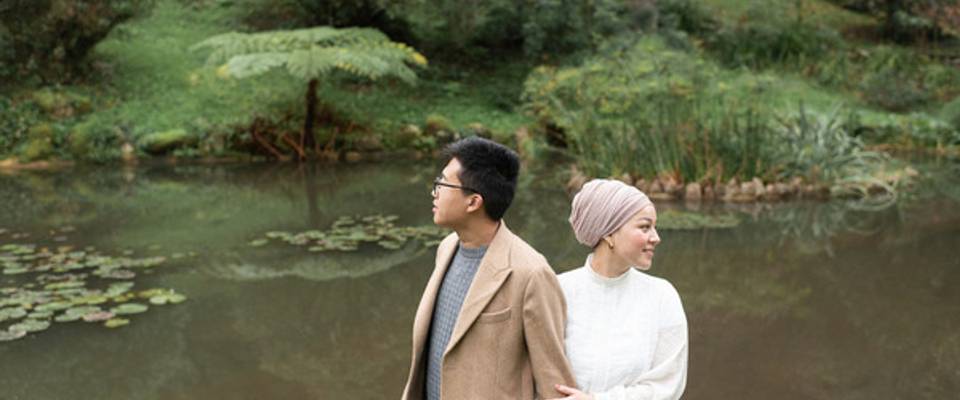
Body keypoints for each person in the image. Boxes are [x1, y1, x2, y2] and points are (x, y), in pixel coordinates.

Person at [401, 137, 576, 400]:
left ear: (473, 202)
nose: (434, 191)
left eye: (443, 183)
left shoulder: (530, 273)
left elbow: (555, 384)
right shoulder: (447, 248)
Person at [549, 179, 688, 400]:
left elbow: (666, 386)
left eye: (654, 227)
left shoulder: (662, 296)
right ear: (608, 233)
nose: (656, 237)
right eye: (644, 227)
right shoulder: (557, 290)